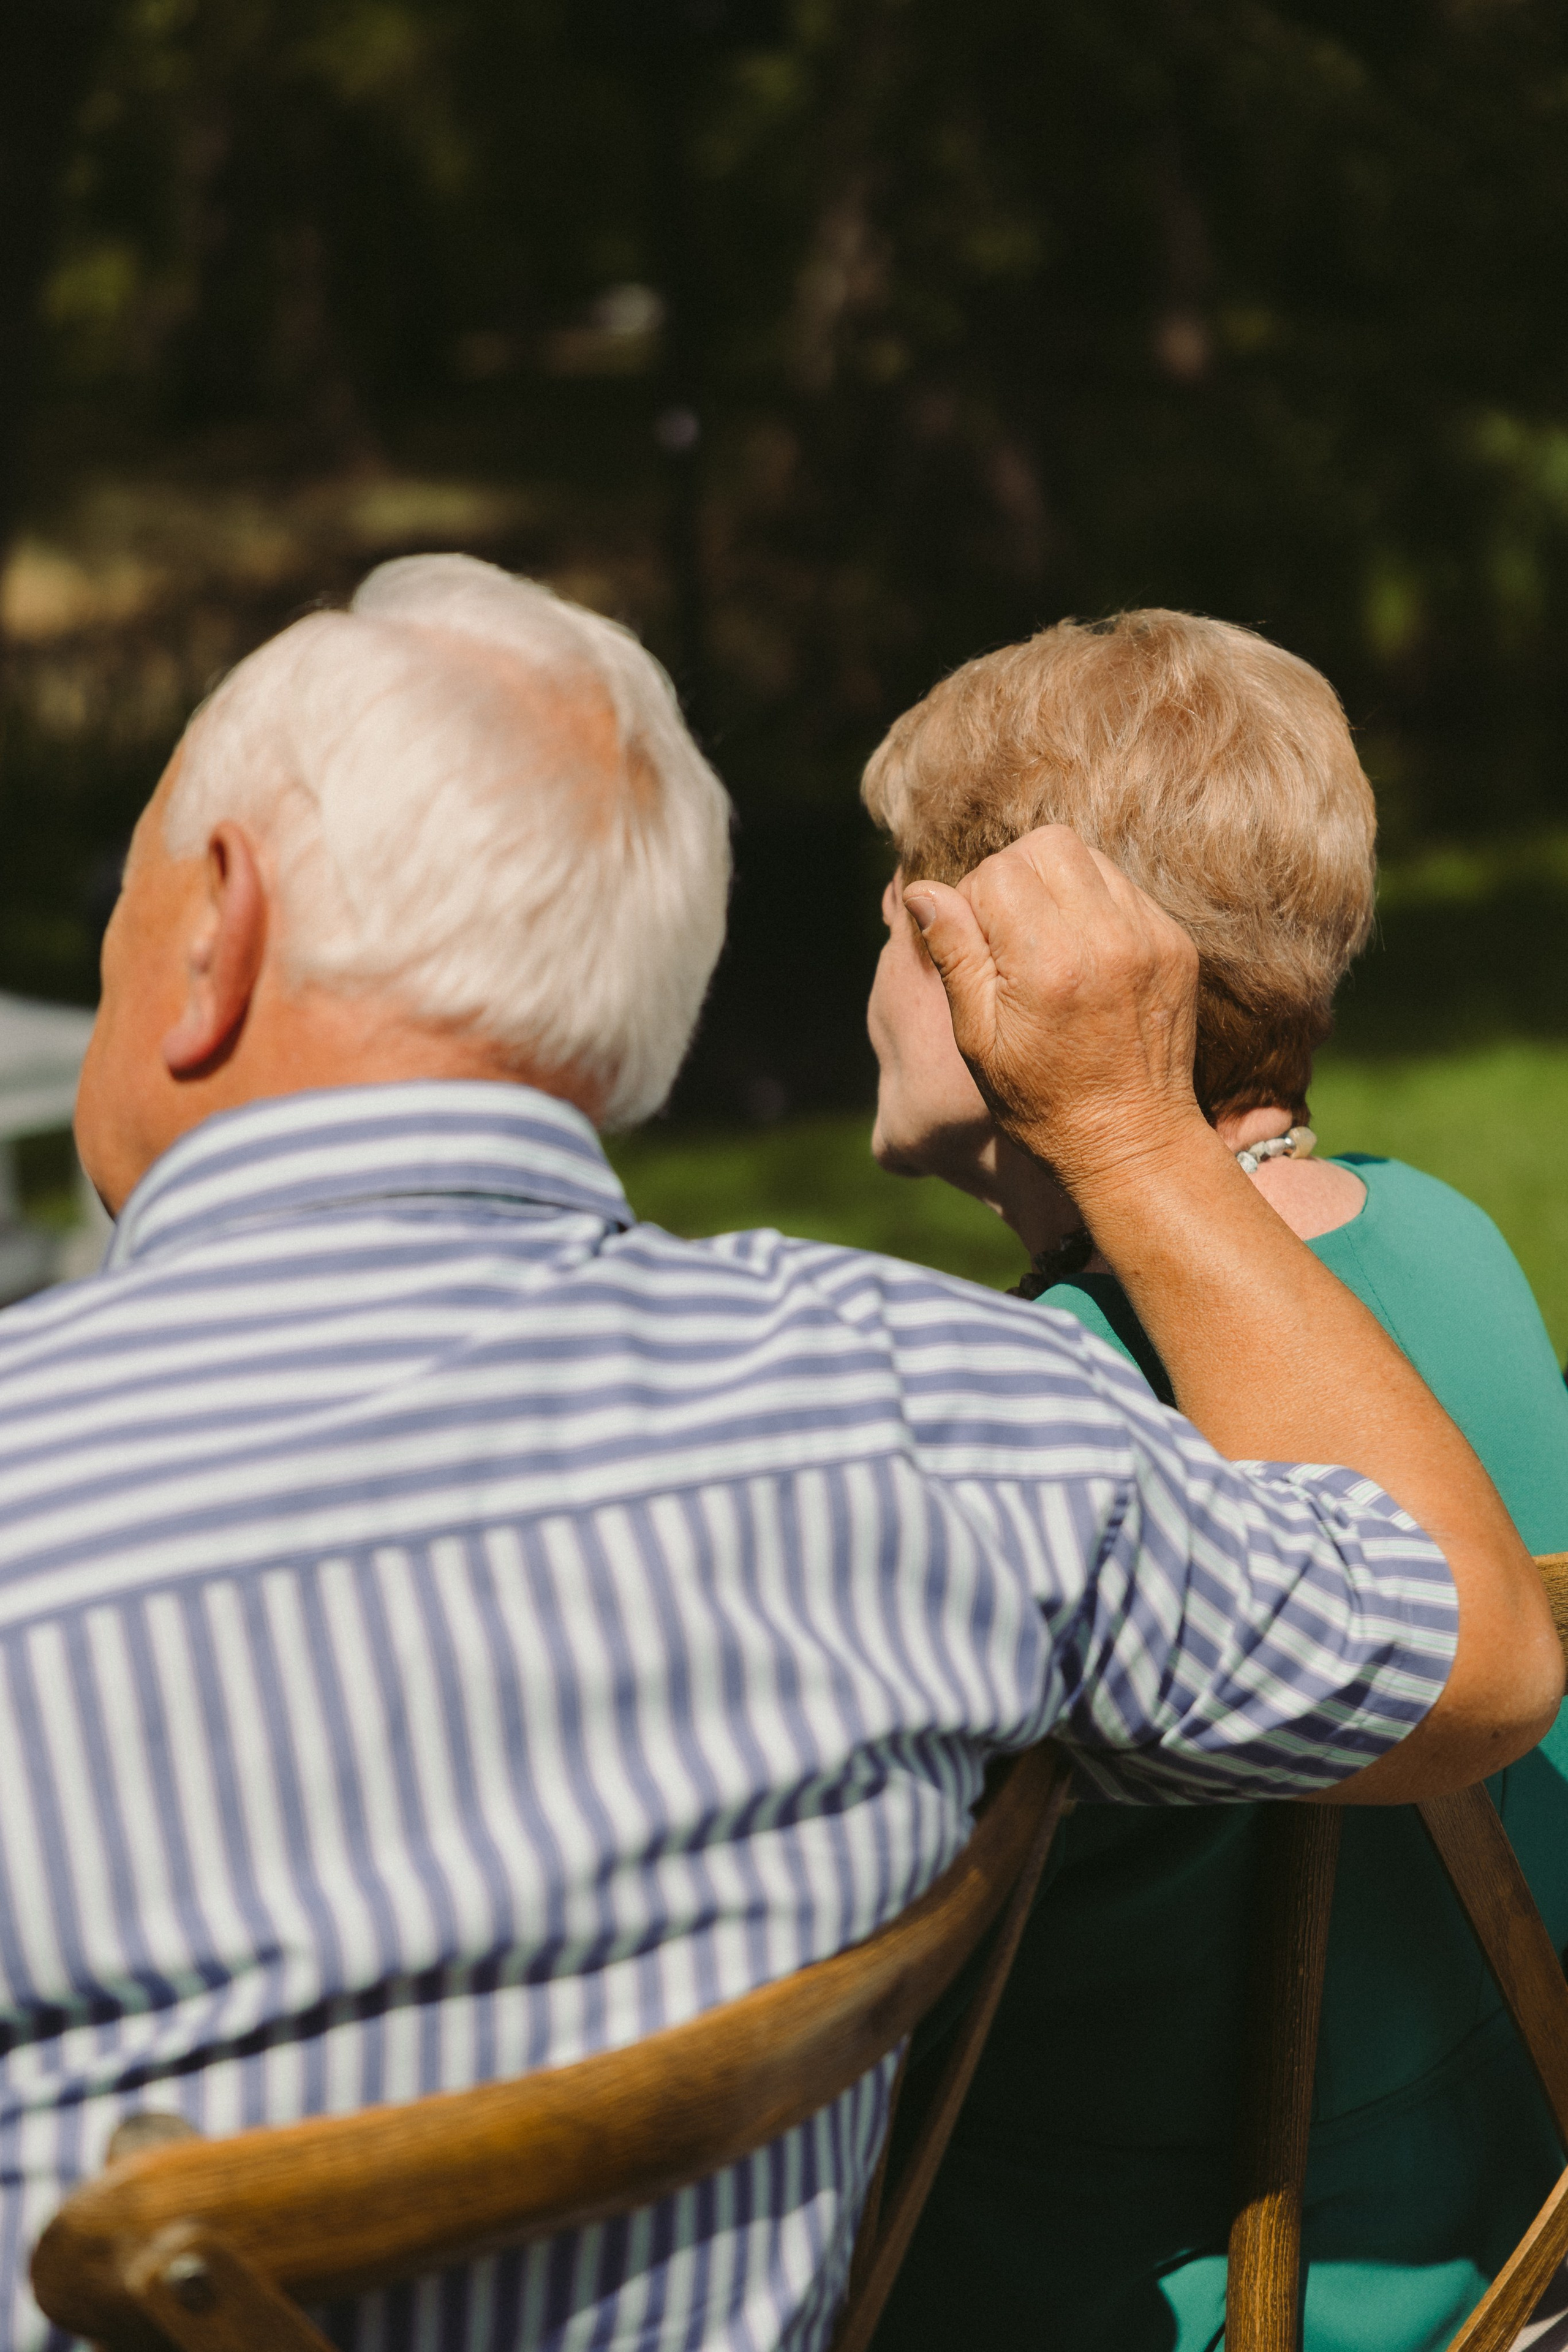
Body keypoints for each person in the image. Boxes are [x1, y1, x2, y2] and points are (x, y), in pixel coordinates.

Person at [0, 557, 1553, 2352]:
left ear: (216, 924)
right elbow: (1465, 1636)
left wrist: (1125, 1132)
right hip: (1486, 2244)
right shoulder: (952, 1420)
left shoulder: (1033, 1395)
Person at [861, 606, 1568, 2352]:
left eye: (887, 907)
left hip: (1106, 2303)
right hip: (1492, 2262)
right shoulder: (1454, 1238)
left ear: (1001, 957)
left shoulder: (1028, 1420)